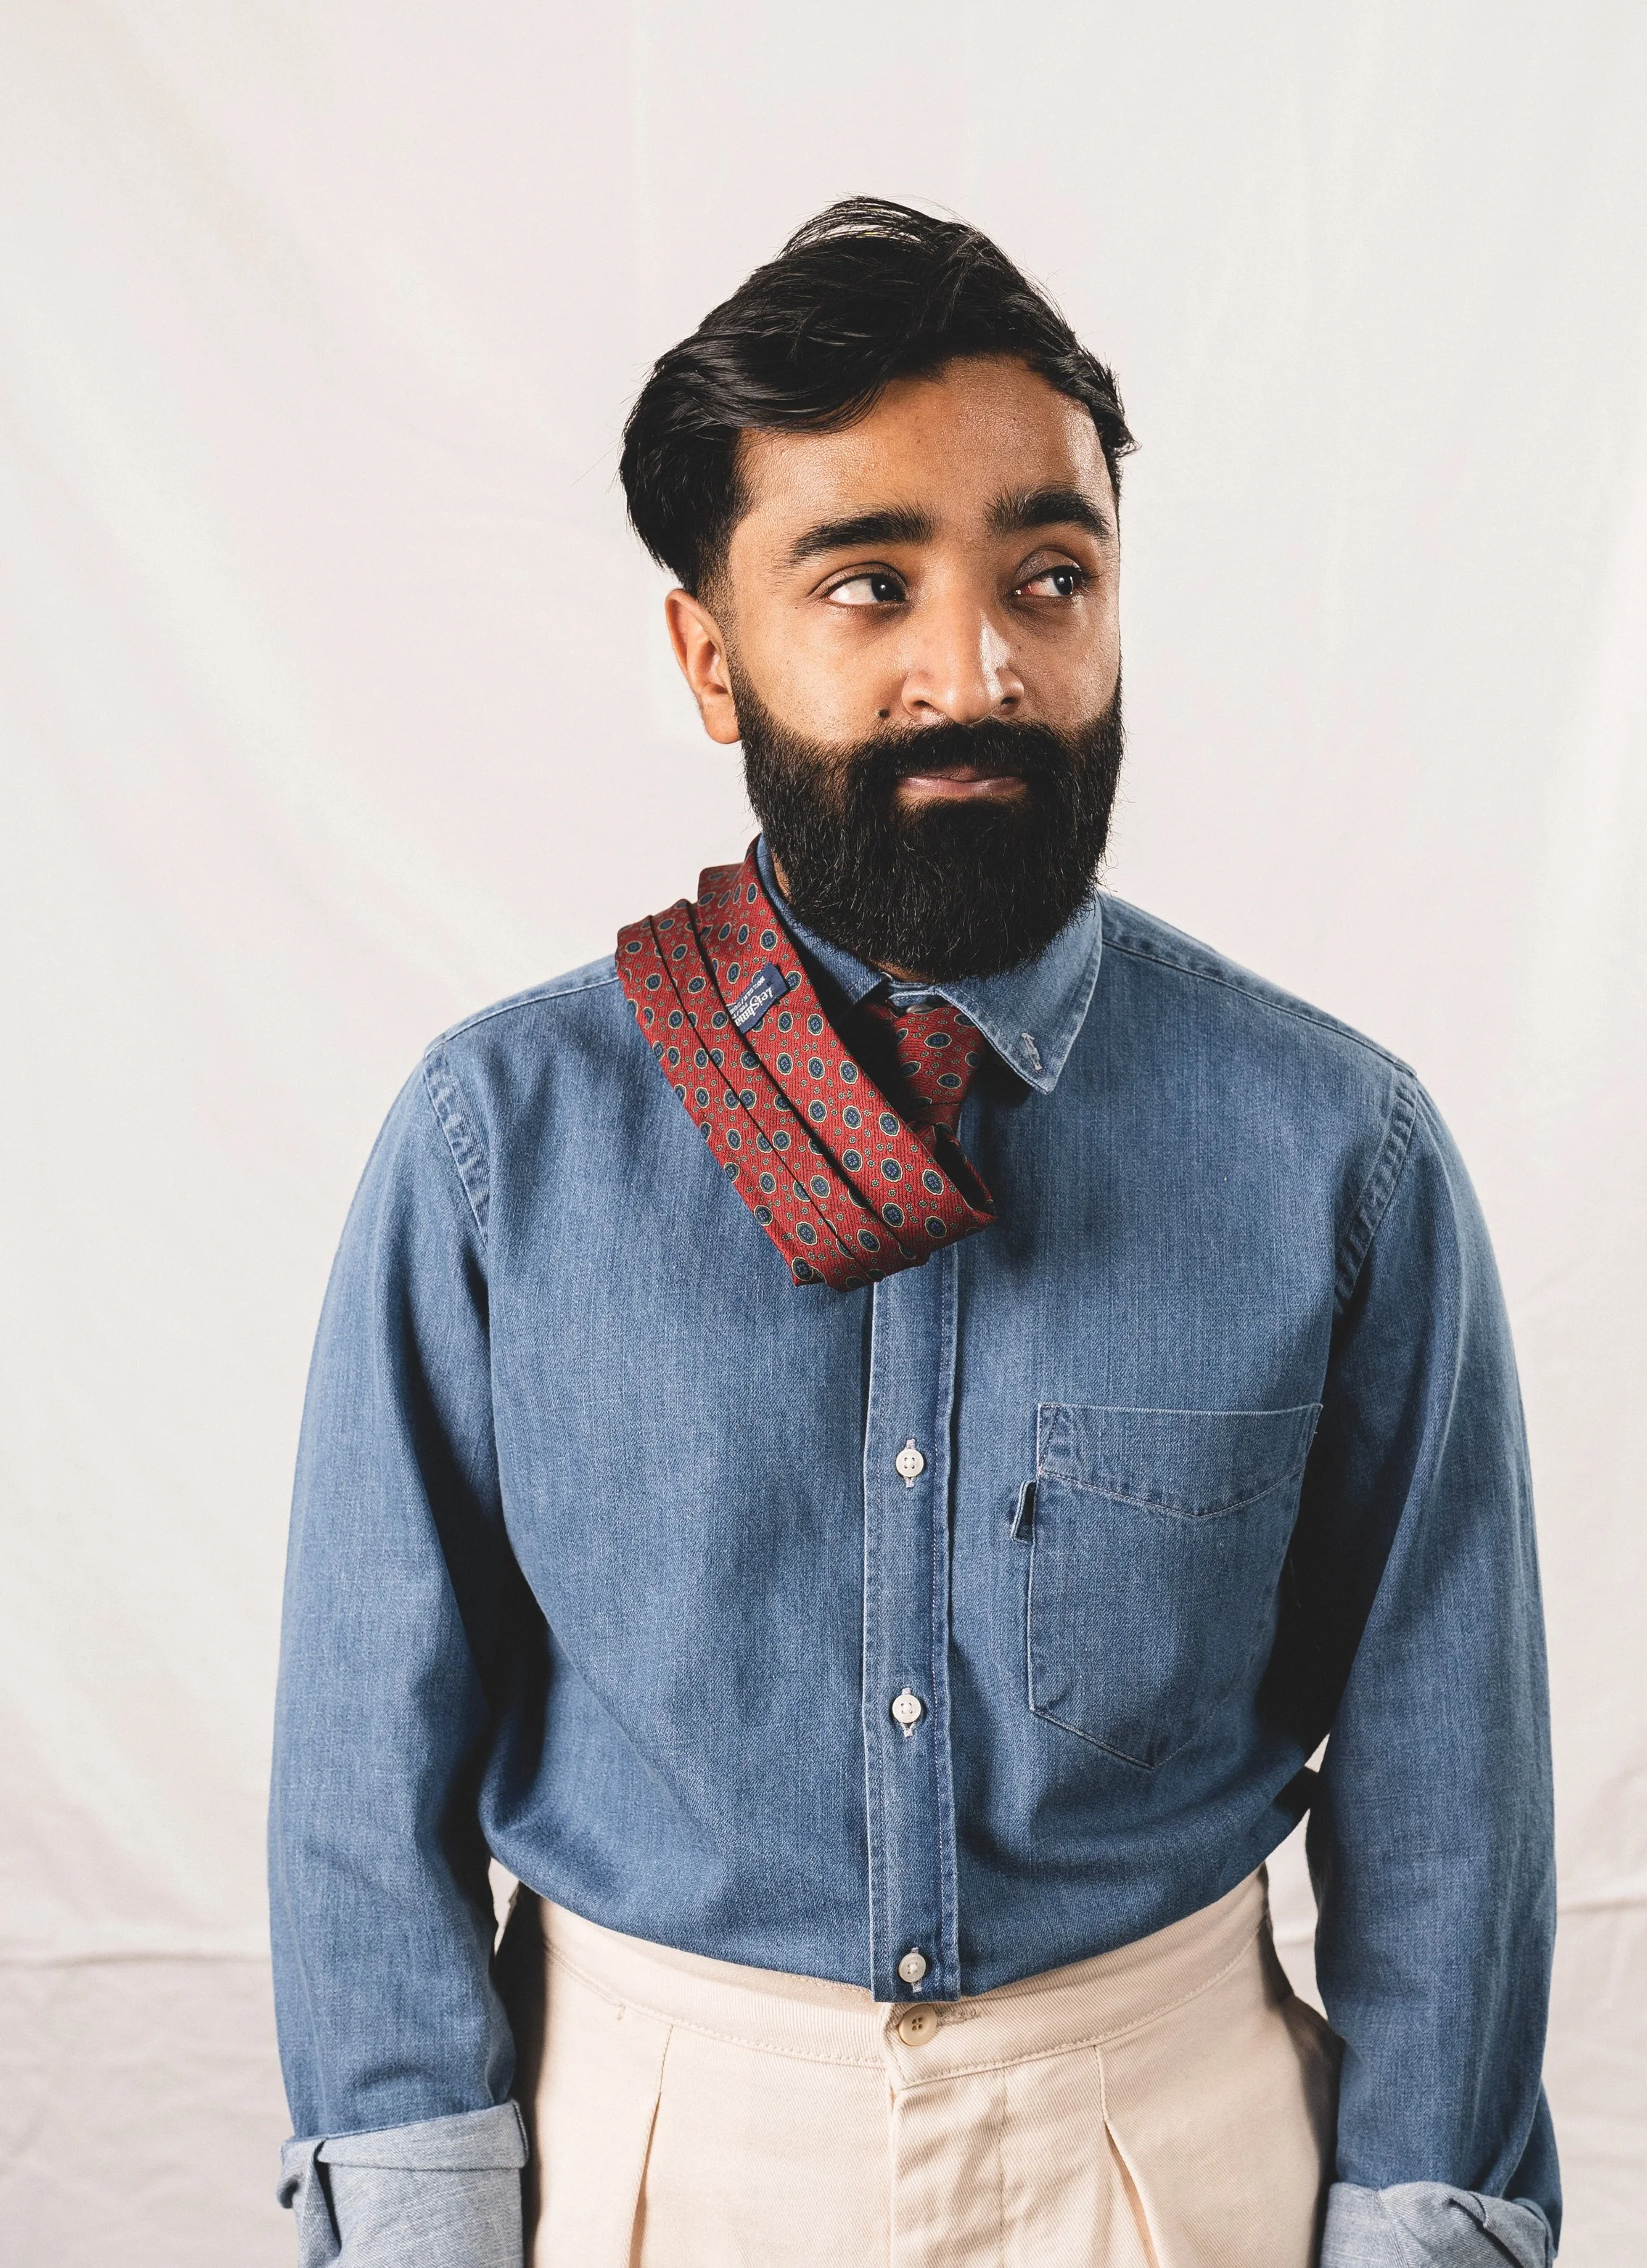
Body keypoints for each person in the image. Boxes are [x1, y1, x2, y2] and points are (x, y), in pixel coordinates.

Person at [270, 198, 1560, 2268]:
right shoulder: (492, 1143)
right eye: (865, 583)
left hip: (1174, 2159)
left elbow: (1448, 1788)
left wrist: (1418, 2231)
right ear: (711, 657)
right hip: (639, 2155)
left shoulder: (1343, 1154)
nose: (977, 666)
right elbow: (363, 1775)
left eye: (1046, 576)